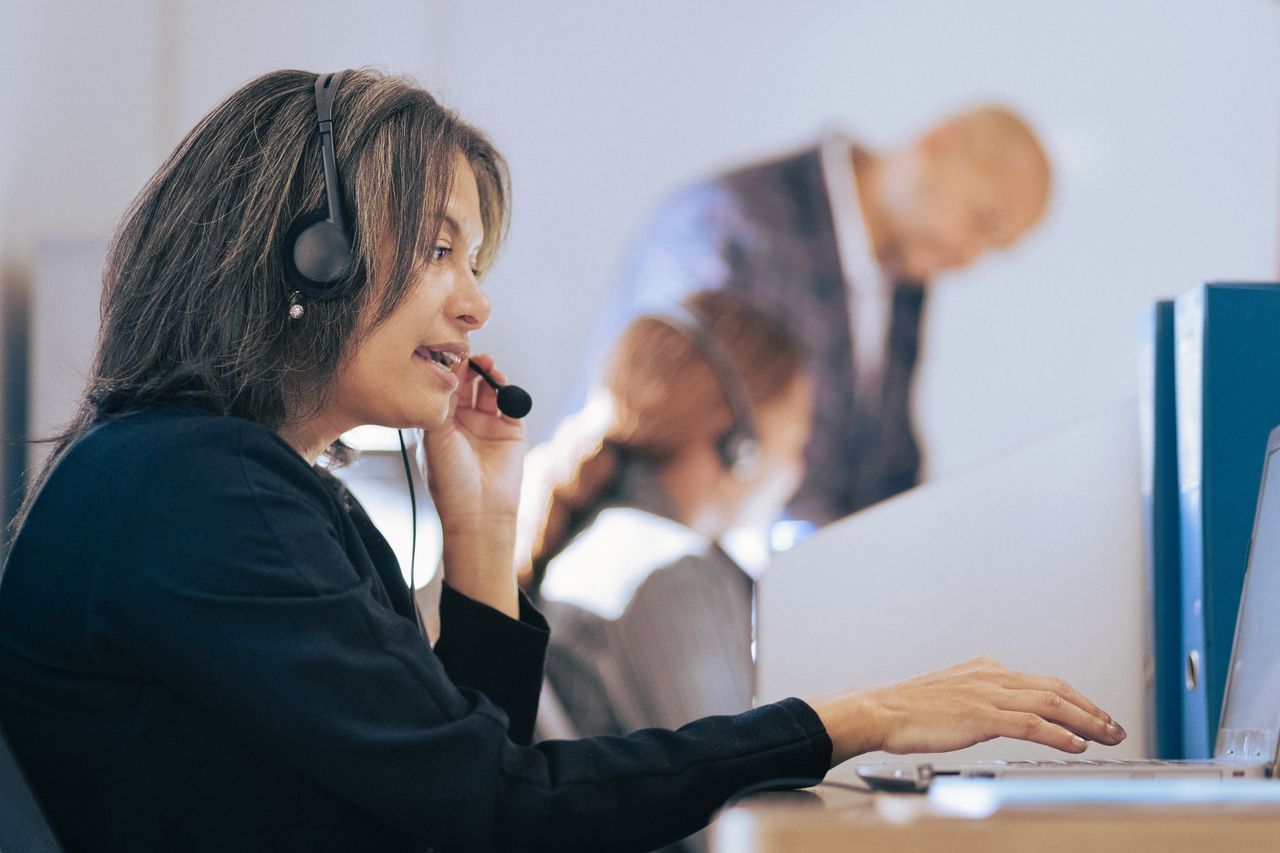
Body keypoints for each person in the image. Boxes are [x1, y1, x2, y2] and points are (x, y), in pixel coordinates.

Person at [0, 68, 1121, 853]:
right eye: (438, 247)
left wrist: (484, 530)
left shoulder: (261, 487)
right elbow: (492, 804)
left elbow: (452, 783)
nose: (475, 298)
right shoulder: (192, 490)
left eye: (472, 257)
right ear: (318, 251)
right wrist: (850, 719)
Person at [580, 106, 1052, 525]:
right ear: (938, 142)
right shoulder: (734, 223)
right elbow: (674, 449)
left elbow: (886, 464)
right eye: (982, 220)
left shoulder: (908, 272)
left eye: (995, 248)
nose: (972, 254)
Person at [529, 289, 812, 853]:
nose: (798, 473)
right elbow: (736, 816)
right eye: (797, 444)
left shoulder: (599, 537)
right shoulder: (670, 574)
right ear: (742, 445)